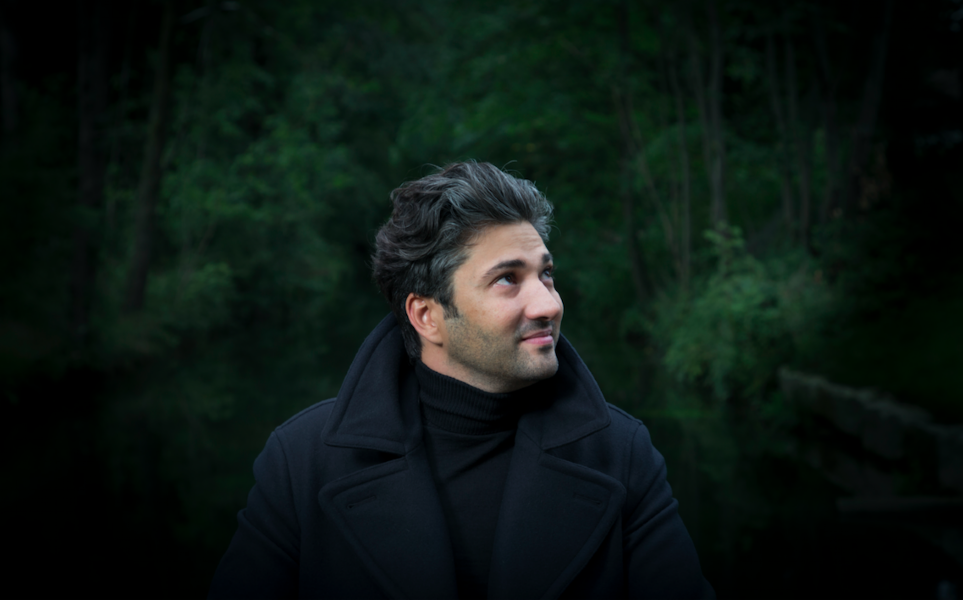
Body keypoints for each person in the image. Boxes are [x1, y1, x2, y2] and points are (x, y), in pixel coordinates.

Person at [209, 161, 714, 599]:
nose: (548, 304)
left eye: (546, 274)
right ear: (427, 316)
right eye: (507, 279)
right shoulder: (301, 463)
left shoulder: (622, 454)